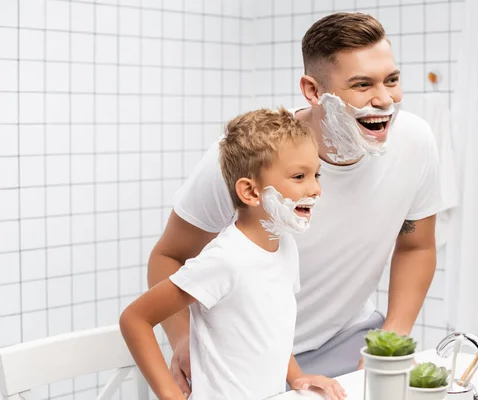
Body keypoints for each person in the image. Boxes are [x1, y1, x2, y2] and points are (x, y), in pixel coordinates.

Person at [148, 12, 442, 395]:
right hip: (248, 359)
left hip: (349, 338)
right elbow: (169, 256)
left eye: (392, 80)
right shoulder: (246, 158)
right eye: (361, 85)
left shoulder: (415, 143)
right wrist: (185, 342)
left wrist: (392, 338)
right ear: (313, 90)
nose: (384, 100)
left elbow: (416, 244)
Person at [120, 108, 346, 400]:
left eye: (316, 174)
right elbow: (134, 319)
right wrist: (170, 396)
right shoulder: (226, 259)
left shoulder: (285, 246)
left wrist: (296, 377)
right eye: (299, 176)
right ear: (251, 193)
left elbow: (271, 330)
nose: (315, 189)